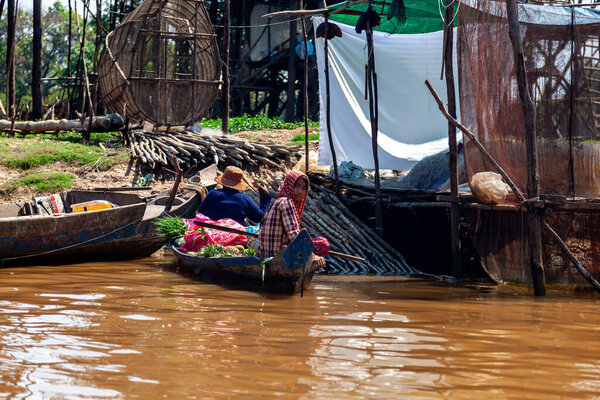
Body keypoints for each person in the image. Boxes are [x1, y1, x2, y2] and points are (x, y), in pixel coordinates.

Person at [258, 170, 329, 269]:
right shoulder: (286, 203)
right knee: (323, 244)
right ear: (290, 185)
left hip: (269, 254)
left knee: (320, 243)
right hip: (276, 259)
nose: (300, 191)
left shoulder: (280, 201)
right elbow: (294, 235)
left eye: (304, 188)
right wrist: (312, 256)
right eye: (297, 186)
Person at [197, 166, 270, 225]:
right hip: (233, 236)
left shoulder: (212, 193)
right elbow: (259, 217)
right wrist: (265, 197)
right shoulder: (244, 199)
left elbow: (200, 211)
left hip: (209, 231)